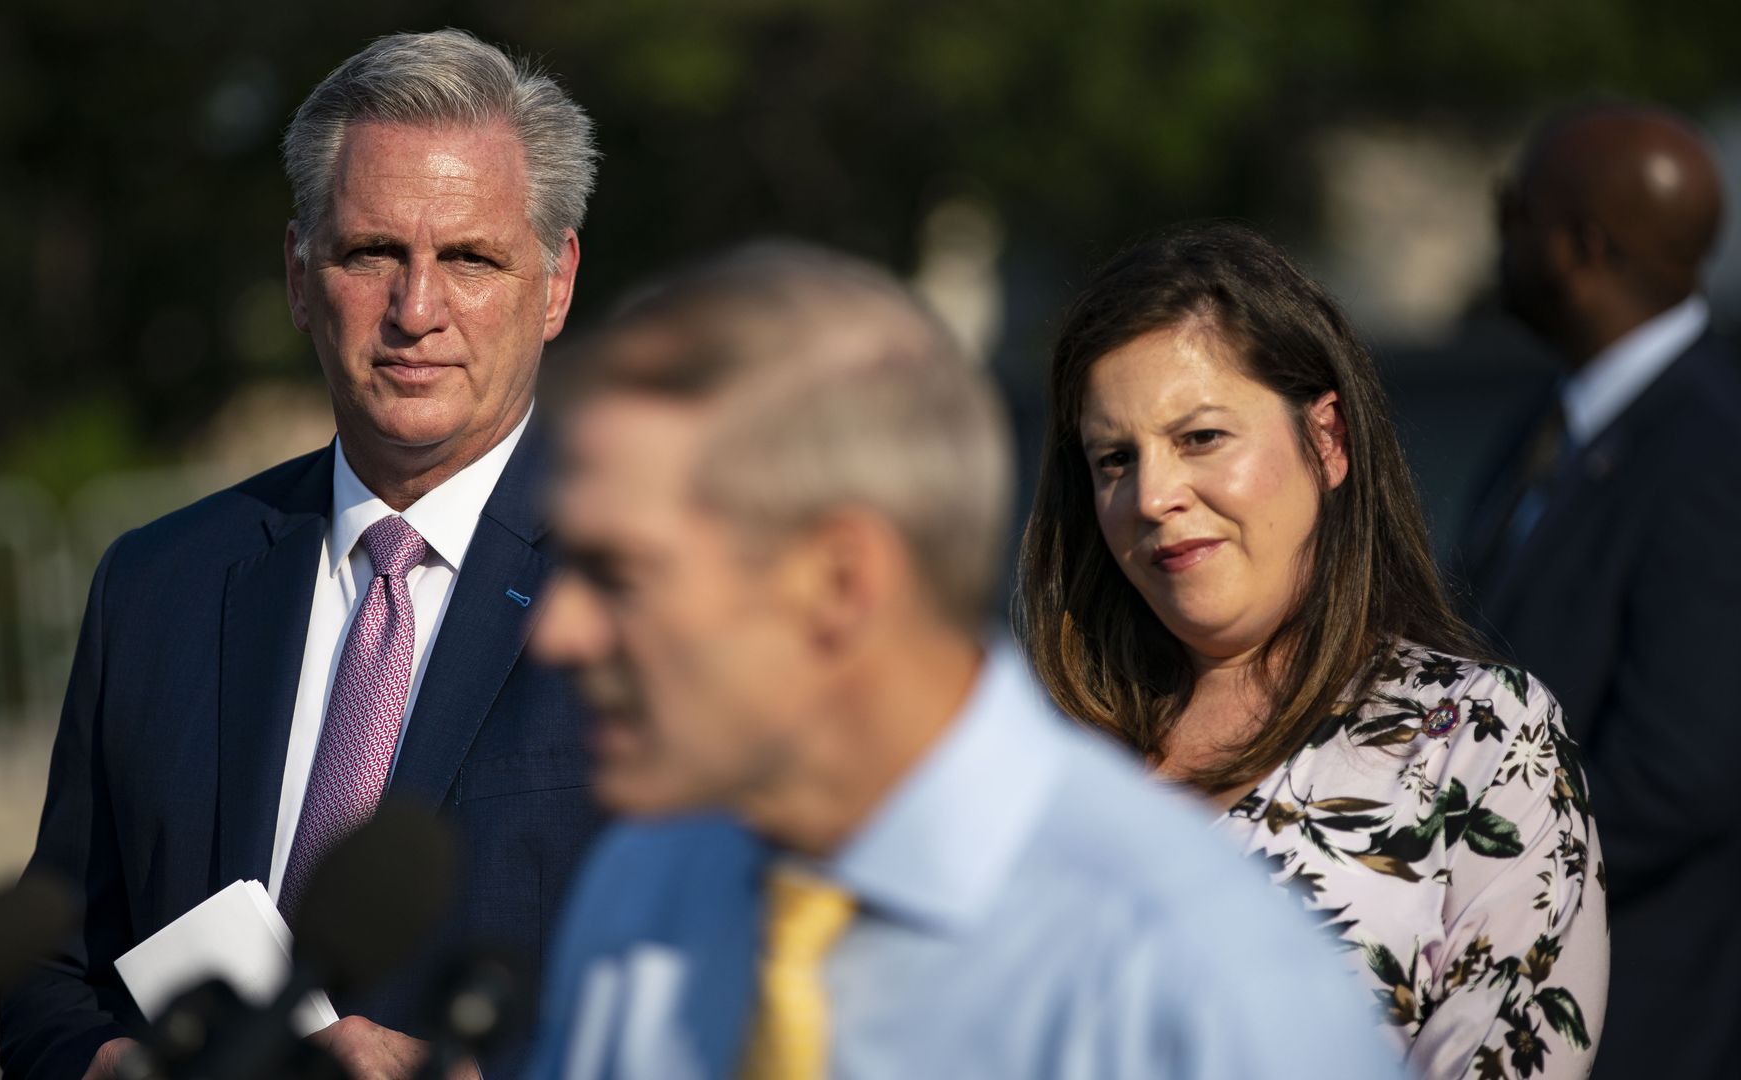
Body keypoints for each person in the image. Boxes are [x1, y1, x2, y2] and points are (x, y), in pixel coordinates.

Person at [522, 242, 1402, 1080]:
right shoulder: (644, 891)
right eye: (1113, 459)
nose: (556, 631)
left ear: (839, 582)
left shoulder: (1190, 975)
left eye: (619, 574)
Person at [0, 30, 604, 1080]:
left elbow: (745, 999)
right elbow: (52, 967)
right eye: (372, 254)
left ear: (554, 285)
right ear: (297, 273)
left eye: (469, 258)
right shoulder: (156, 588)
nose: (418, 312)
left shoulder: (646, 593)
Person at [1016, 222, 1608, 1079]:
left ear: (1326, 440)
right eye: (1114, 458)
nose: (1153, 495)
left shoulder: (1475, 740)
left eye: (1200, 438)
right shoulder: (1042, 764)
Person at [1459, 104, 1741, 1080]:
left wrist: (1456, 858)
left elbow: (1680, 772)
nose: (1497, 232)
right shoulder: (1549, 420)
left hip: (1638, 1024)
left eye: (1514, 208)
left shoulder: (1711, 451)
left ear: (1579, 247)